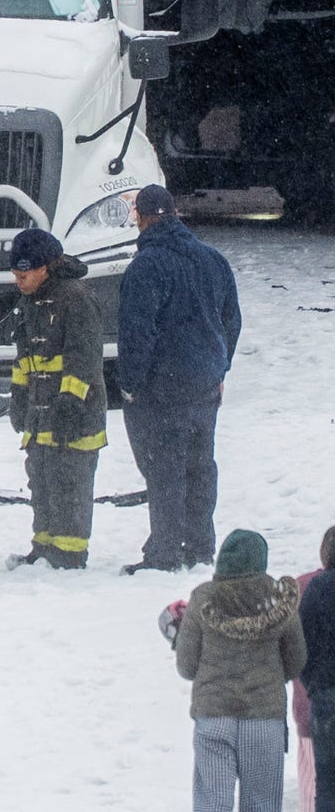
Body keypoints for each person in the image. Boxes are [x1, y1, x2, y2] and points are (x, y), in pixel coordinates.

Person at [174, 529, 307, 812]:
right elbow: (296, 661)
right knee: (261, 809)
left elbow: (186, 665)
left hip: (213, 717)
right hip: (262, 719)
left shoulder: (202, 600)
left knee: (211, 807)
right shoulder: (279, 601)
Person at [116, 185, 241, 573]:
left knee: (163, 468)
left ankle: (165, 553)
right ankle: (200, 546)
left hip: (162, 387)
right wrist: (221, 368)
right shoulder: (213, 260)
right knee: (200, 467)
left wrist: (130, 385)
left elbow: (137, 333)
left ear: (142, 216)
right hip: (204, 384)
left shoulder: (146, 266)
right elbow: (231, 321)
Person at [3, 228, 106, 569]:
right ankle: (44, 546)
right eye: (15, 275)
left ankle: (70, 552)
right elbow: (26, 358)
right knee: (42, 480)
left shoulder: (77, 298)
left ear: (44, 268)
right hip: (40, 414)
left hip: (74, 416)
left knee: (69, 483)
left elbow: (85, 357)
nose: (18, 280)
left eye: (24, 274)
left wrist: (71, 402)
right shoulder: (29, 303)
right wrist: (18, 395)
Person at [298, 528, 335, 812]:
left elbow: (300, 648)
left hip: (327, 700)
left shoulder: (317, 588)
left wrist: (315, 685)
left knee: (327, 786)